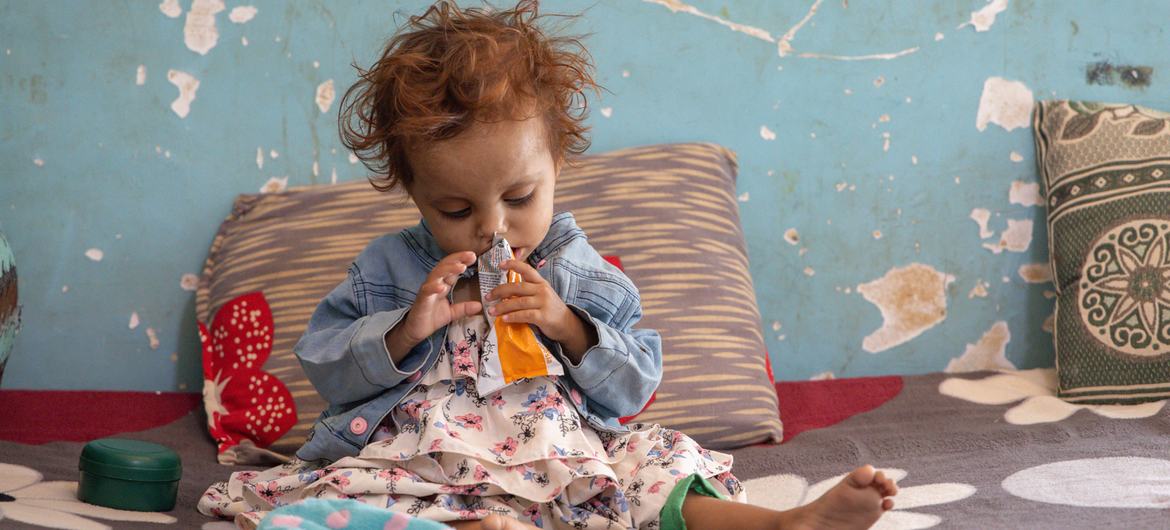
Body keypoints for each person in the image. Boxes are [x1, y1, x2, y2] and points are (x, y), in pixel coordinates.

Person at [199, 1, 897, 528]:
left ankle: (784, 524)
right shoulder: (386, 268)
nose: (492, 226)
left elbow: (633, 387)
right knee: (345, 498)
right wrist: (405, 331)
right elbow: (326, 367)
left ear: (556, 167)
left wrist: (569, 324)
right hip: (422, 457)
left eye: (520, 196)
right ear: (413, 194)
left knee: (656, 472)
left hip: (567, 457)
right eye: (453, 208)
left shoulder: (578, 270)